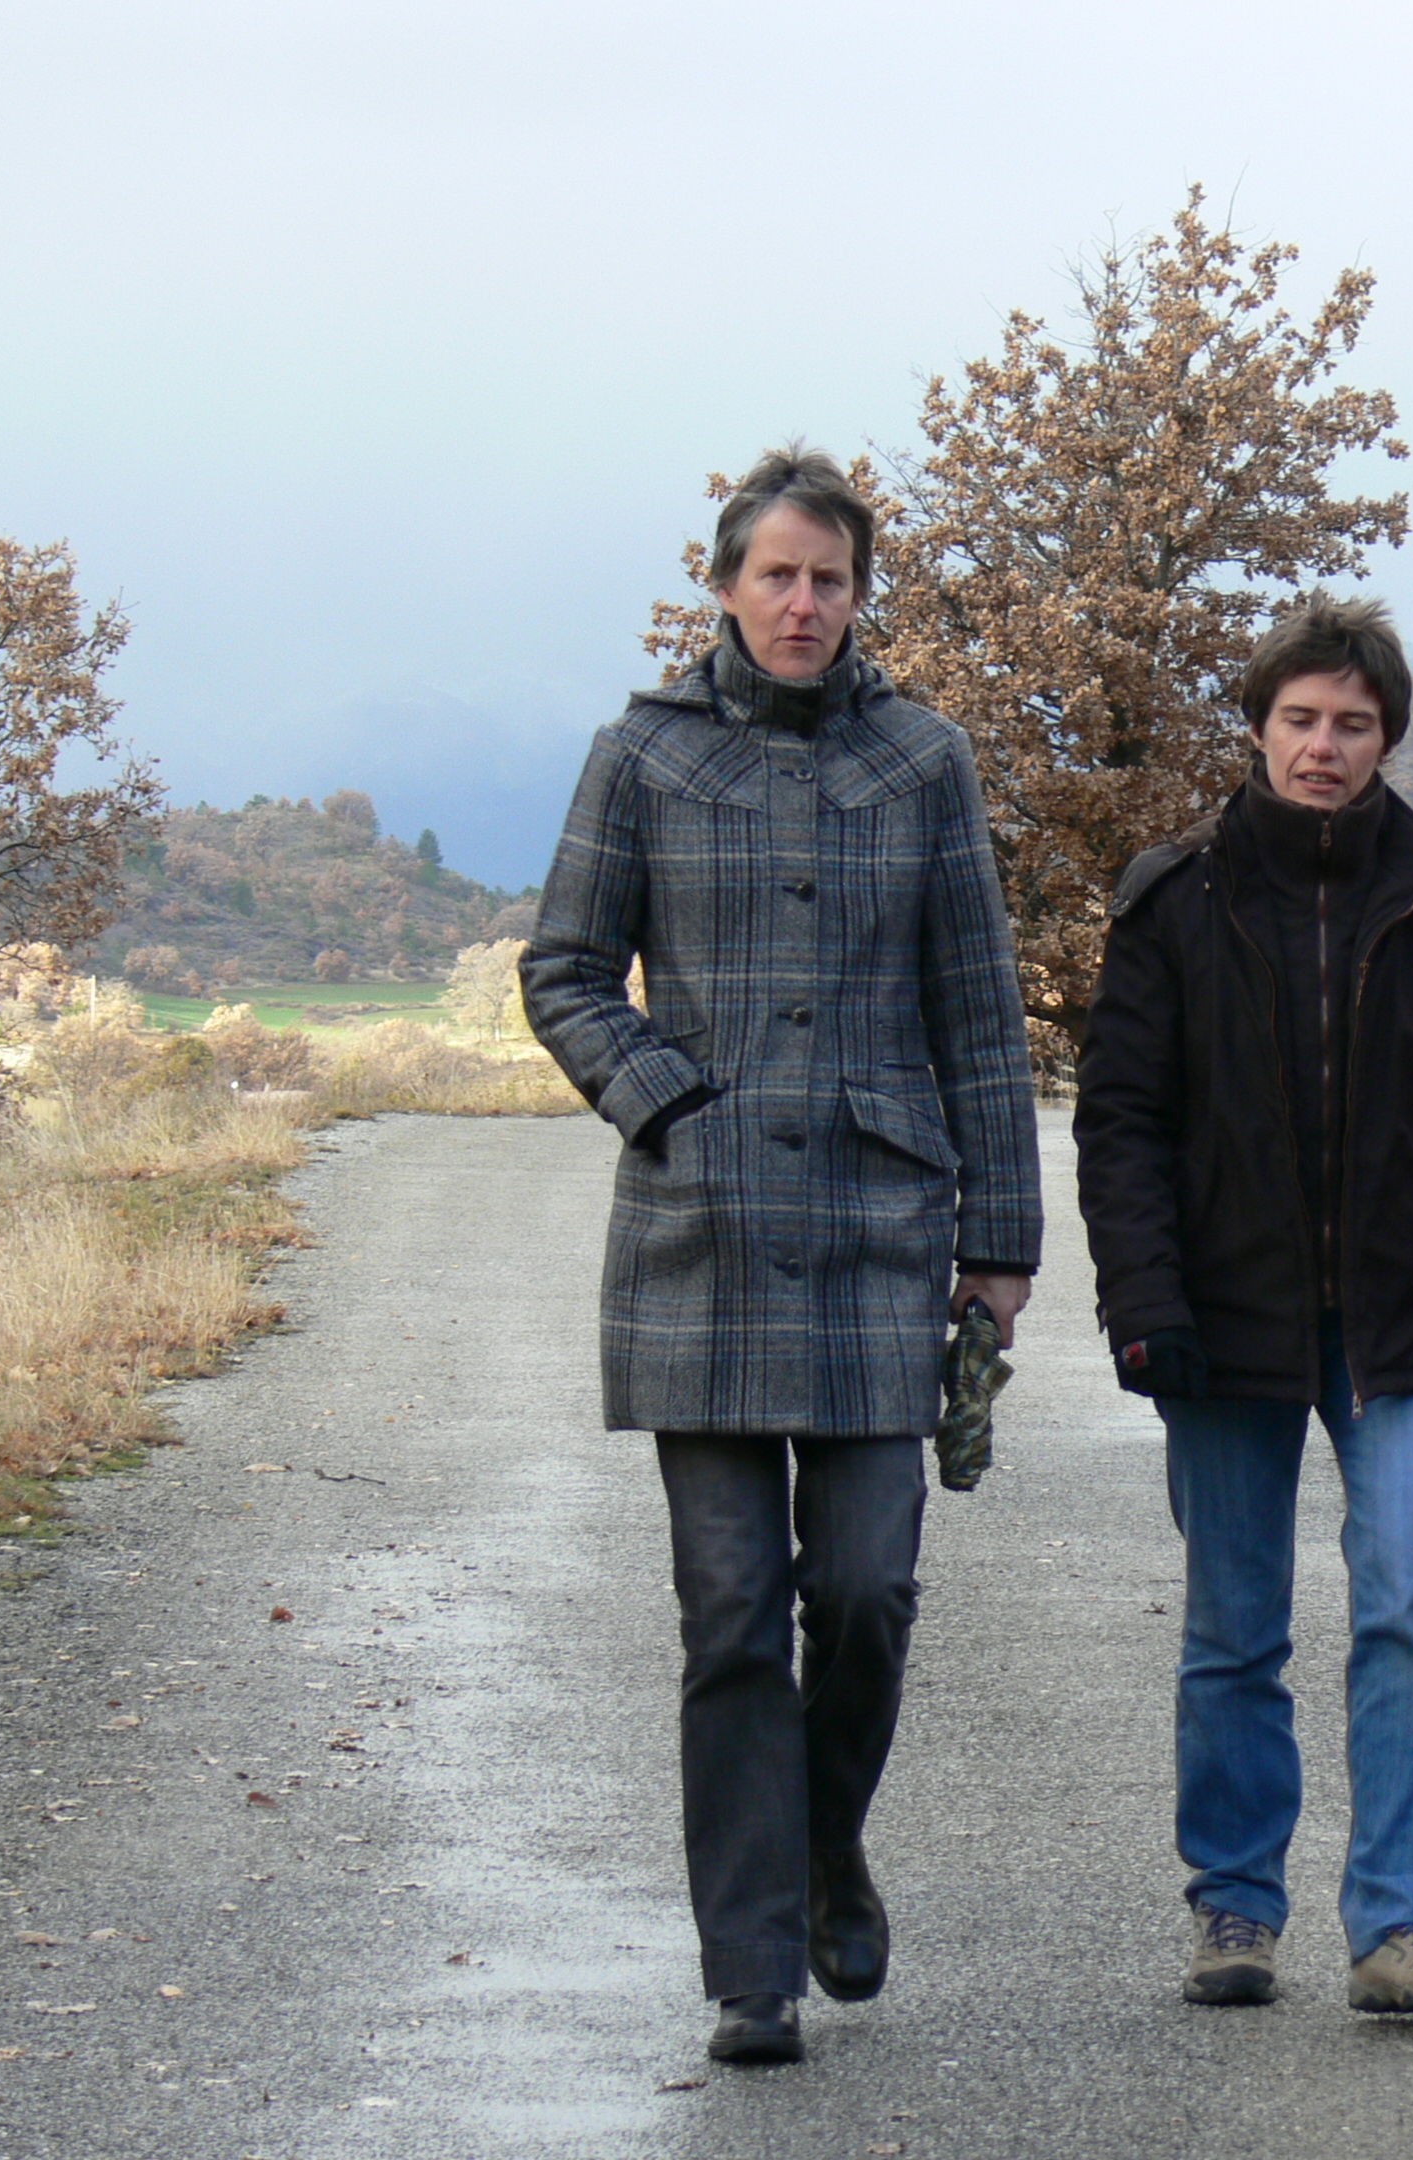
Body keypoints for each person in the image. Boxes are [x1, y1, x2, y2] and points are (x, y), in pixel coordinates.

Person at [521, 445, 1042, 2067]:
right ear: (727, 586)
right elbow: (563, 971)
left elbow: (979, 1010)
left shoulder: (924, 759)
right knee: (734, 1610)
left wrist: (1002, 1242)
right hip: (703, 1240)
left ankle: (824, 1847)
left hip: (885, 1235)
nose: (803, 603)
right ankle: (751, 1970)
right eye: (777, 575)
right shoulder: (643, 755)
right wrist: (671, 1102)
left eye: (830, 579)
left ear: (859, 594)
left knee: (867, 1593)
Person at [1073, 595, 1413, 2016]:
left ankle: (1406, 1923)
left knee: (1407, 1612)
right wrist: (1143, 1299)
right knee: (1234, 1628)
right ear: (1258, 727)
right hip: (1224, 1321)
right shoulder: (1174, 899)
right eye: (1300, 719)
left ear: (1387, 737)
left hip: (1406, 1325)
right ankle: (1234, 1906)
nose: (1323, 747)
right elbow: (1123, 1122)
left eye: (1352, 723)